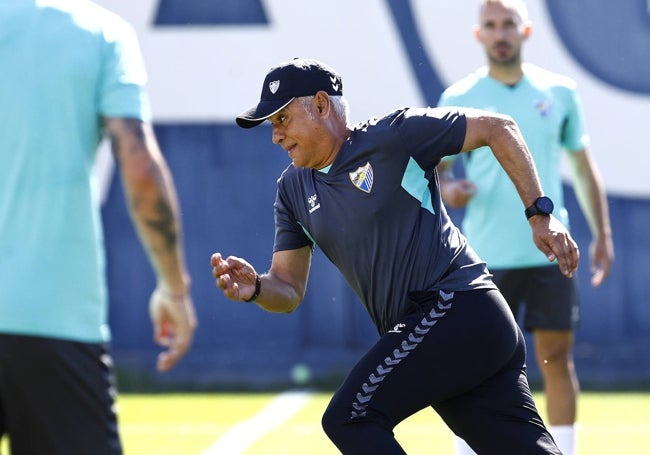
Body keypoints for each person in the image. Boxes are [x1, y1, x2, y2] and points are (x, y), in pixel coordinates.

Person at [211, 57, 579, 454]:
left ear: (320, 104)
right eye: (271, 125)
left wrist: (541, 215)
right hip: (449, 334)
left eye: (282, 119)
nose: (275, 136)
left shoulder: (393, 136)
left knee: (350, 417)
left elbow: (498, 127)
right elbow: (288, 289)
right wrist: (256, 289)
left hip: (458, 309)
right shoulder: (292, 190)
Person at [0, 1, 197, 453]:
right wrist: (174, 288)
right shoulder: (102, 34)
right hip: (53, 319)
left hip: (56, 320)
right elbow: (141, 170)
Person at [435, 1, 614, 454]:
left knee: (556, 360)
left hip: (551, 250)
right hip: (483, 258)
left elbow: (583, 163)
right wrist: (450, 190)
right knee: (477, 367)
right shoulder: (458, 97)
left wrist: (603, 236)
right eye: (491, 26)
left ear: (526, 30)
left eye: (508, 24)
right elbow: (433, 171)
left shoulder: (560, 92)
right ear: (478, 35)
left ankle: (565, 451)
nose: (500, 33)